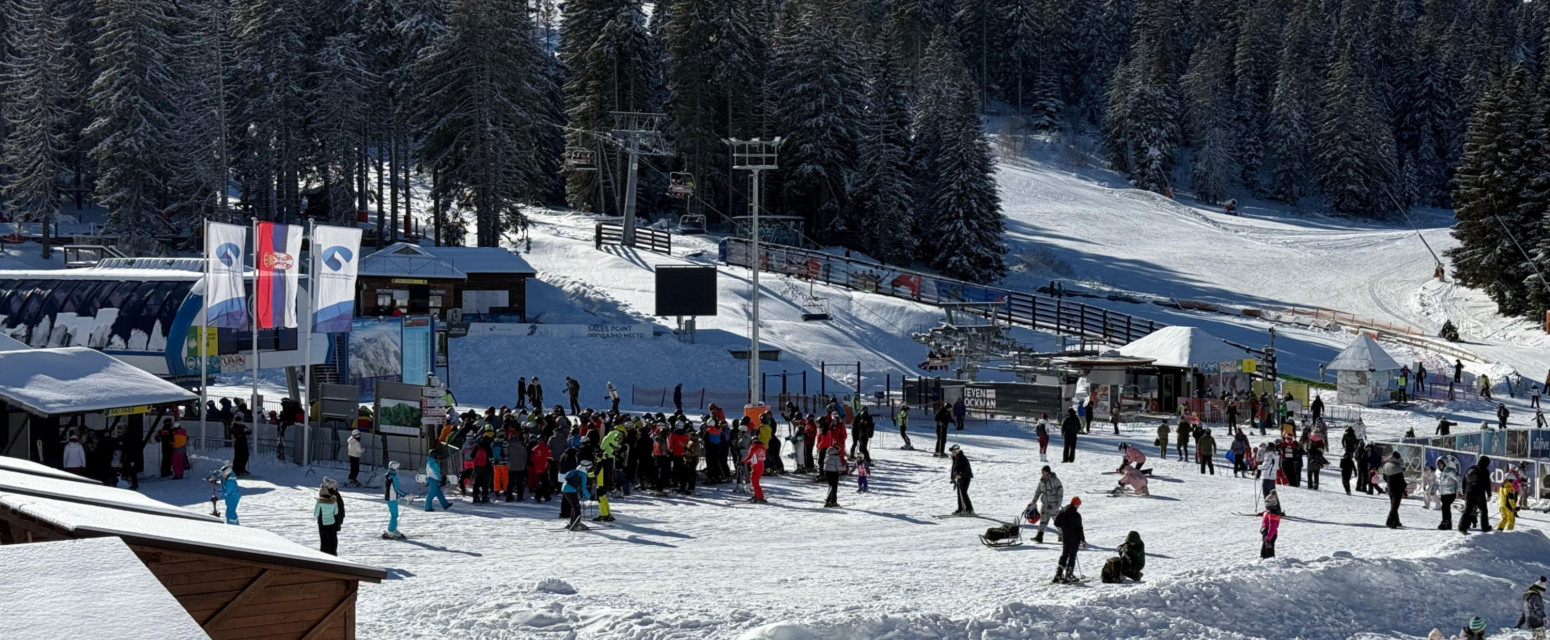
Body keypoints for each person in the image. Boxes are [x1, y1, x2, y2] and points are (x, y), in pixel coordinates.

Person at [1052, 498, 1085, 583]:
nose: (1078, 506)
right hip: (1074, 538)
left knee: (1065, 554)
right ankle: (1069, 575)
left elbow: (1056, 523)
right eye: (1078, 504)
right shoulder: (1076, 515)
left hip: (1065, 537)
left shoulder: (1063, 512)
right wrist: (1083, 540)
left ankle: (1059, 574)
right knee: (1072, 555)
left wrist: (1064, 527)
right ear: (1075, 504)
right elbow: (1079, 529)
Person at [1460, 455, 1493, 533]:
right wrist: (1489, 494)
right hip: (1479, 493)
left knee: (1467, 510)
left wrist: (1464, 491)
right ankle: (1485, 527)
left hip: (1469, 492)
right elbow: (1487, 483)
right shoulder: (1485, 470)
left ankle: (1462, 527)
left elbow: (1464, 480)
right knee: (1484, 510)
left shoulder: (1471, 468)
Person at [1031, 466, 1063, 544]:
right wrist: (1034, 500)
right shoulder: (1041, 480)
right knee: (1043, 520)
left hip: (1053, 504)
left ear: (1048, 472)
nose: (1042, 473)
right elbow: (1038, 491)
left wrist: (1058, 503)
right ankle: (1039, 536)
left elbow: (1060, 491)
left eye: (1044, 472)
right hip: (1045, 504)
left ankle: (1062, 535)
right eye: (1042, 472)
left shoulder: (1055, 480)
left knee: (1057, 521)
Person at [561, 460, 593, 531]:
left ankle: (573, 523)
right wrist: (590, 497)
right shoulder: (583, 475)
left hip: (564, 488)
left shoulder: (575, 471)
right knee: (577, 508)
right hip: (570, 490)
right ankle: (575, 525)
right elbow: (584, 488)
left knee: (574, 506)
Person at [382, 461, 406, 539]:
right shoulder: (393, 477)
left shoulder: (388, 475)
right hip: (392, 498)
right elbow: (396, 489)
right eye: (397, 468)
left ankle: (392, 530)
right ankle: (392, 531)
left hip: (388, 497)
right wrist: (405, 495)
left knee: (394, 514)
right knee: (394, 515)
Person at [1381, 452, 1406, 528]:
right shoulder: (1397, 466)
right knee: (1395, 507)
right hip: (1397, 489)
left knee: (1394, 505)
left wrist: (1389, 483)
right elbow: (1401, 479)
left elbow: (1384, 477)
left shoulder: (1386, 465)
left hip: (1390, 487)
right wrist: (1404, 487)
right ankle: (1389, 521)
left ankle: (1396, 521)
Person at [950, 444, 974, 515]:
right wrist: (953, 477)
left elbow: (966, 469)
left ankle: (969, 509)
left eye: (953, 451)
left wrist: (960, 475)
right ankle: (960, 509)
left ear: (957, 451)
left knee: (963, 493)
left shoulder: (962, 458)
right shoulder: (956, 458)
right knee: (959, 493)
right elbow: (954, 470)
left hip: (965, 478)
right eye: (952, 451)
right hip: (959, 478)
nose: (952, 452)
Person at [744, 436, 767, 503]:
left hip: (755, 467)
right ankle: (757, 495)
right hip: (760, 466)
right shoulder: (763, 447)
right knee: (755, 482)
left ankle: (760, 497)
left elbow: (749, 456)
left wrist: (743, 462)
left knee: (755, 483)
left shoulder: (754, 447)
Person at [1261, 492, 1282, 559]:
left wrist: (1268, 538)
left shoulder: (1273, 514)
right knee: (1264, 549)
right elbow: (1265, 512)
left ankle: (1270, 561)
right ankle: (1263, 558)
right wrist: (1261, 514)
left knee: (1269, 549)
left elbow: (1272, 527)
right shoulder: (1269, 511)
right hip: (1266, 533)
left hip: (1270, 534)